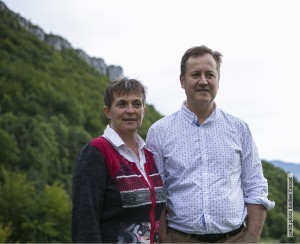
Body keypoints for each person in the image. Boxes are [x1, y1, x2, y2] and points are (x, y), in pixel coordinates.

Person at [146, 45, 275, 243]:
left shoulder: (240, 129)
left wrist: (251, 237)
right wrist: (164, 238)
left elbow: (255, 186)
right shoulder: (159, 132)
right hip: (180, 239)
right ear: (182, 81)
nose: (203, 81)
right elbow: (157, 192)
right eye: (195, 74)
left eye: (210, 74)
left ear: (218, 80)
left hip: (235, 239)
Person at [72, 77, 166, 243]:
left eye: (136, 104)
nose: (130, 110)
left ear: (144, 109)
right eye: (122, 104)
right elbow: (85, 219)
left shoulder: (149, 155)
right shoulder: (96, 152)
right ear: (107, 111)